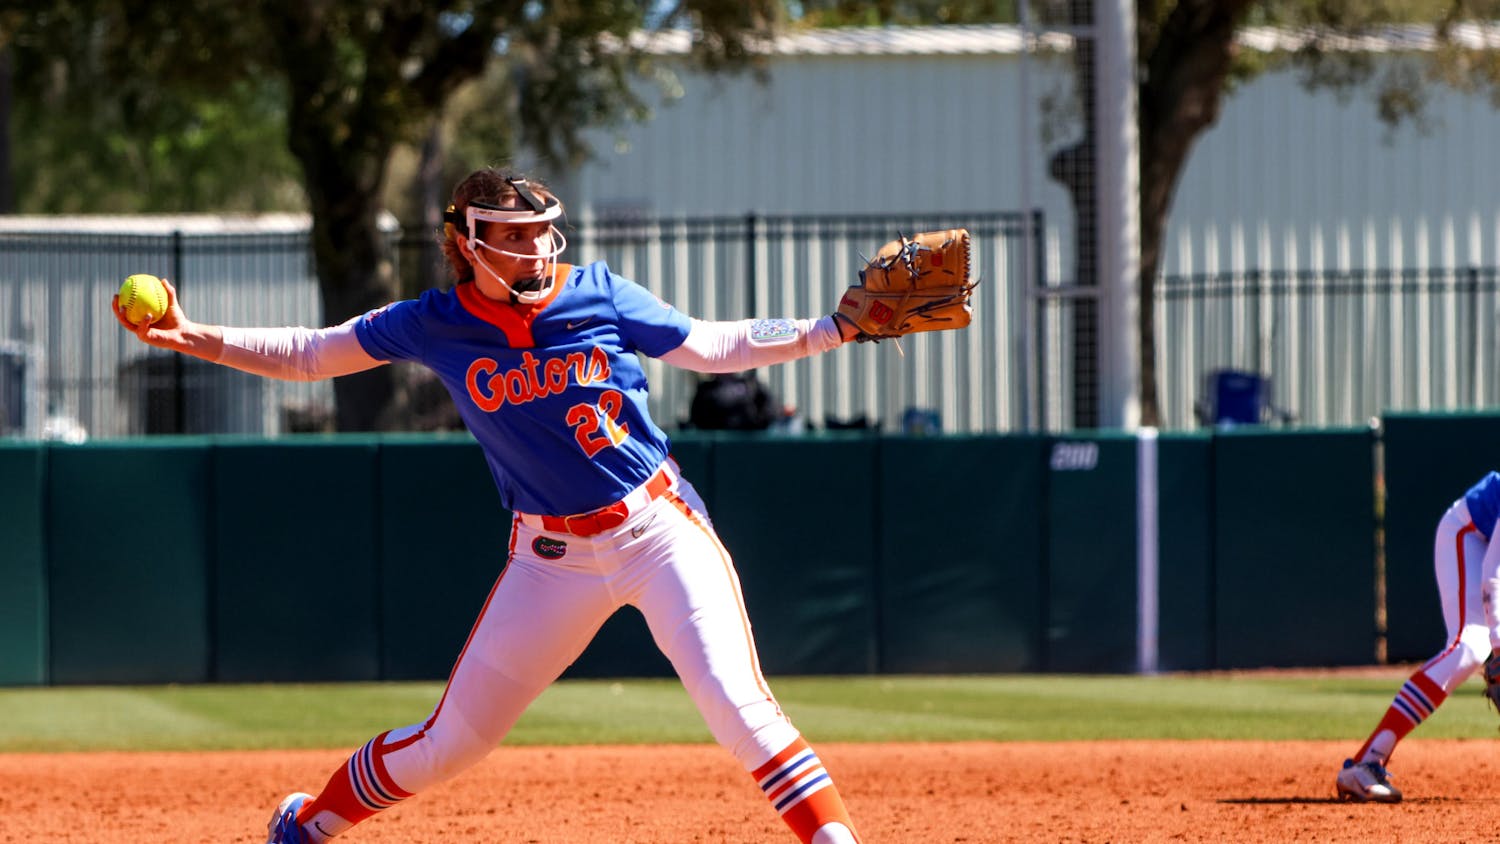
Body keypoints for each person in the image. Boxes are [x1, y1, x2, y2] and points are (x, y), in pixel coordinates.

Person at [113, 167, 867, 844]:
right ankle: (306, 825)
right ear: (466, 244)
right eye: (512, 236)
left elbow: (709, 345)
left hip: (657, 528)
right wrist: (194, 337)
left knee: (740, 708)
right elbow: (314, 353)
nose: (534, 250)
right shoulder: (435, 321)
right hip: (550, 561)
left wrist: (832, 330)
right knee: (451, 744)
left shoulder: (599, 291)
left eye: (540, 234)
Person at [1336, 470, 1500, 803]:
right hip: (1468, 534)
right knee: (1470, 645)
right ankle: (1365, 764)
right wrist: (1499, 645)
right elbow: (1493, 576)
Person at [688, 370, 777, 430]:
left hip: (750, 442)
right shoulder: (706, 389)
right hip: (717, 443)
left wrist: (755, 424)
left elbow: (769, 413)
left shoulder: (752, 385)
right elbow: (697, 418)